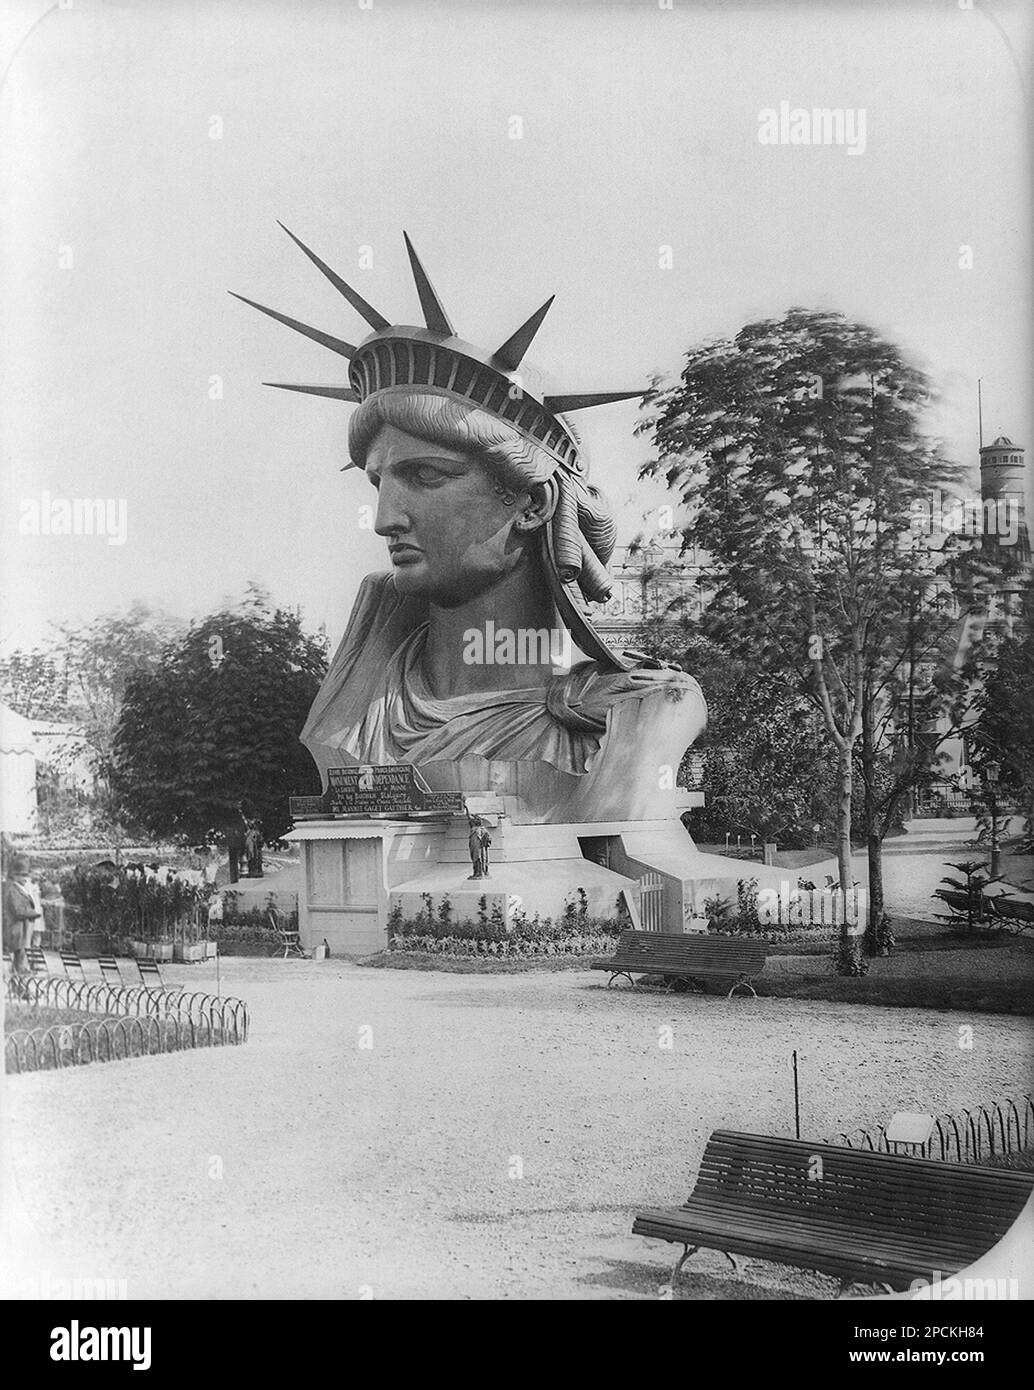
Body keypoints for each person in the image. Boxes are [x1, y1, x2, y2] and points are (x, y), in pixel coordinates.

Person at [3, 855, 42, 974]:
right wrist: (34, 914)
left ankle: (19, 977)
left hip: (23, 928)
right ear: (15, 876)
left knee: (21, 954)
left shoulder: (22, 889)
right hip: (17, 928)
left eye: (26, 875)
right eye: (22, 875)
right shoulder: (13, 890)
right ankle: (20, 978)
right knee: (19, 954)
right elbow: (18, 911)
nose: (26, 878)